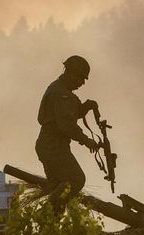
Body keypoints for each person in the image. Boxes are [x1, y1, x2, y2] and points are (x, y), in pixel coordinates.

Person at [36, 55, 100, 214]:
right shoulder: (61, 93)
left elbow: (72, 113)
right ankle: (46, 214)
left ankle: (50, 229)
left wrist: (87, 106)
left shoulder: (63, 91)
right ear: (71, 74)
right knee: (76, 179)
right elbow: (66, 125)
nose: (83, 83)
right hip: (53, 147)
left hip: (51, 146)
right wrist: (87, 141)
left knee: (59, 188)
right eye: (81, 78)